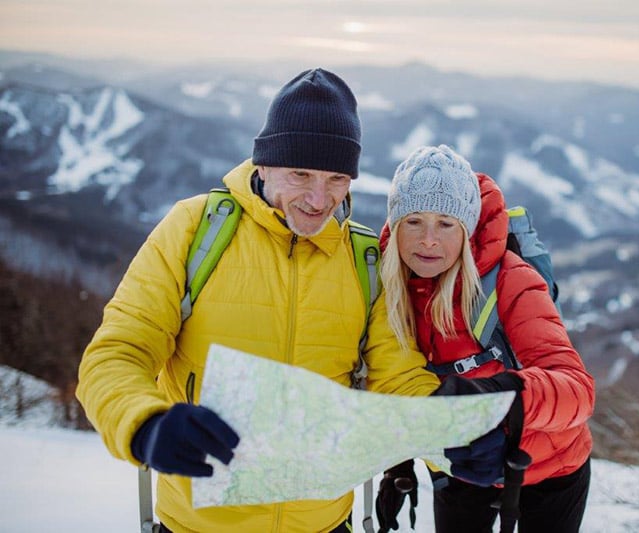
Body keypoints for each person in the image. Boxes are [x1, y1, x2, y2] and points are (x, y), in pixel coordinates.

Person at [75, 68, 445, 533]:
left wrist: (456, 438)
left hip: (325, 524)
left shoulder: (365, 258)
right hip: (198, 524)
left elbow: (399, 380)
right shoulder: (195, 231)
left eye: (337, 178)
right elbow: (116, 353)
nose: (318, 197)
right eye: (300, 173)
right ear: (263, 165)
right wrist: (145, 423)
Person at [375, 145, 595, 533]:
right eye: (414, 222)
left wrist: (503, 397)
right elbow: (396, 377)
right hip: (462, 464)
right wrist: (399, 457)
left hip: (549, 466)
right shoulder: (387, 285)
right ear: (395, 225)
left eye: (446, 223)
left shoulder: (510, 279)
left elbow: (577, 390)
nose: (428, 240)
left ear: (468, 228)